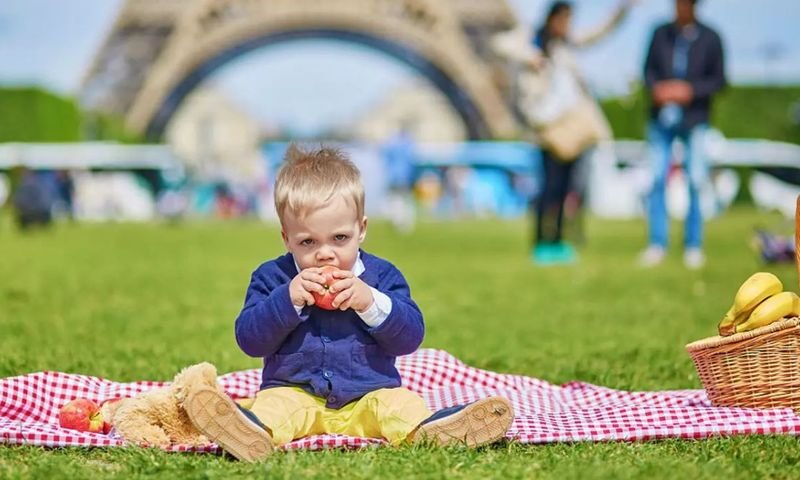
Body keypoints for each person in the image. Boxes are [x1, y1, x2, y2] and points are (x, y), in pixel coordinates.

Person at [183, 145, 514, 462]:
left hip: (369, 395)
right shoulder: (273, 277)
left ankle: (436, 431)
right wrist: (288, 299)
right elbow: (250, 341)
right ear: (286, 238)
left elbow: (410, 337)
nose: (325, 253)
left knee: (401, 405)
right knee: (273, 409)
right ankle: (249, 433)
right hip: (295, 393)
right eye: (308, 241)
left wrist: (370, 302)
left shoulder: (382, 276)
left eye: (340, 238)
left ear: (361, 229)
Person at [492, 1, 635, 265]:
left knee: (567, 188)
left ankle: (557, 240)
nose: (566, 25)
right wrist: (531, 56)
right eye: (563, 20)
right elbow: (499, 45)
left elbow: (597, 33)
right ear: (552, 18)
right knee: (550, 186)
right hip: (548, 125)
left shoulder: (566, 45)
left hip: (573, 126)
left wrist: (620, 11)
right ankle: (540, 242)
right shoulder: (532, 40)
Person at [639, 0, 726, 269]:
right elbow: (647, 72)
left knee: (696, 180)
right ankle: (657, 244)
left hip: (695, 118)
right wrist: (659, 89)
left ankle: (693, 246)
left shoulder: (711, 37)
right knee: (656, 179)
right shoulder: (659, 33)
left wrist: (689, 90)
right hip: (661, 118)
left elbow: (719, 80)